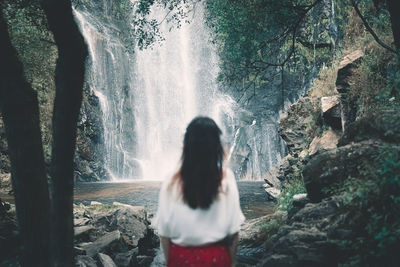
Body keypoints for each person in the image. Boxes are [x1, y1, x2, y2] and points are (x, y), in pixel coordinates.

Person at [153, 116, 245, 267]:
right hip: (217, 259)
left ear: (186, 145)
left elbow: (164, 233)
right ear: (217, 146)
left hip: (181, 259)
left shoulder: (171, 180)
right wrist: (231, 263)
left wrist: (171, 261)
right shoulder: (226, 177)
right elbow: (234, 232)